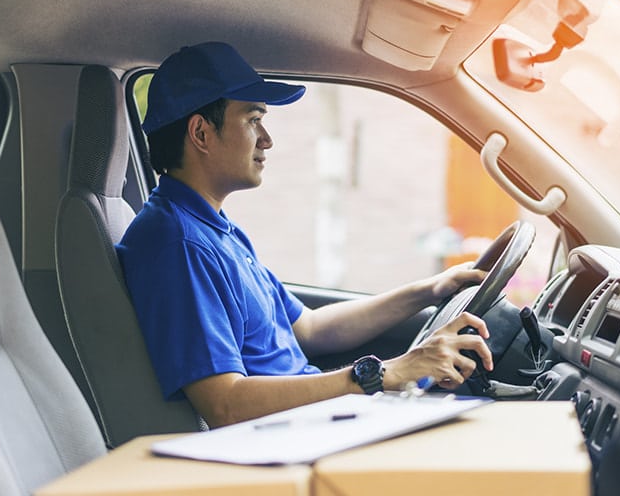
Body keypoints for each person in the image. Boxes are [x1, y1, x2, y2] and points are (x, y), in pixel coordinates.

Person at [117, 41, 493, 429]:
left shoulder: (215, 229)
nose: (267, 139)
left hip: (311, 424)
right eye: (252, 119)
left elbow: (311, 329)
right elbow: (224, 404)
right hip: (287, 441)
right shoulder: (178, 244)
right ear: (200, 133)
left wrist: (429, 290)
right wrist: (384, 374)